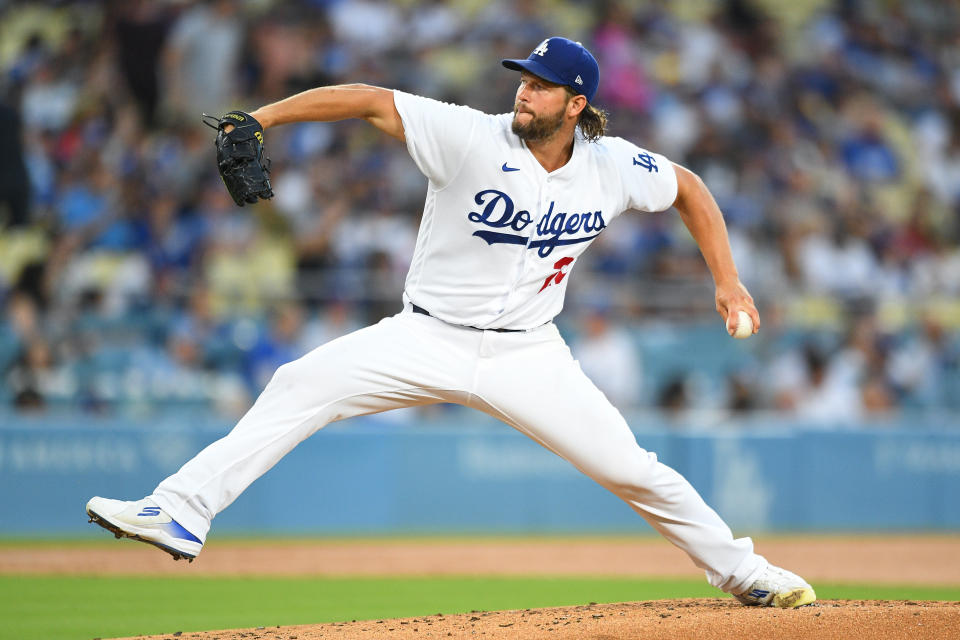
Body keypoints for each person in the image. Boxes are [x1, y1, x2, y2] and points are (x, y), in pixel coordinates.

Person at [86, 37, 814, 608]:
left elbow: (687, 186)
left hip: (530, 354)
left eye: (539, 85)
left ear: (576, 102)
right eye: (521, 80)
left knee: (632, 470)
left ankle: (744, 571)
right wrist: (263, 119)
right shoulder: (469, 134)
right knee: (299, 382)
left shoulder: (614, 165)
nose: (522, 93)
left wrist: (727, 279)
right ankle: (180, 510)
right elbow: (368, 99)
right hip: (424, 336)